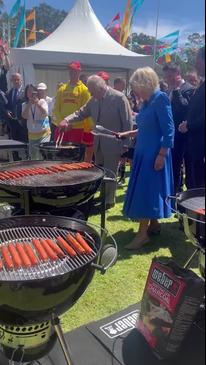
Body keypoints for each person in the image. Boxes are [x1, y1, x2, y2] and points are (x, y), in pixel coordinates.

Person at [118, 67, 174, 250]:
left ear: (145, 83)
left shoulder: (161, 99)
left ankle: (142, 235)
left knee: (146, 192)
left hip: (154, 154)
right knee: (151, 190)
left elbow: (169, 130)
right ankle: (154, 225)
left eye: (136, 86)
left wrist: (162, 155)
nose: (134, 91)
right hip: (143, 153)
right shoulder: (147, 102)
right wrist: (128, 133)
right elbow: (146, 128)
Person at [59, 75, 133, 209]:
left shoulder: (119, 98)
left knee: (110, 173)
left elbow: (127, 122)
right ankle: (101, 196)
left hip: (113, 143)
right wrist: (67, 120)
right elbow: (81, 113)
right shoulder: (93, 100)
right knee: (100, 171)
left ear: (100, 88)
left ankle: (109, 201)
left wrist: (126, 143)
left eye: (92, 91)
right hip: (98, 143)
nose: (91, 94)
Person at [163, 63, 195, 194]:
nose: (168, 79)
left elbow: (184, 108)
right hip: (170, 135)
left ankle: (184, 195)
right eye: (166, 77)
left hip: (185, 136)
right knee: (173, 166)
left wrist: (176, 90)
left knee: (185, 166)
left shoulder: (189, 89)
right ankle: (173, 192)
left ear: (177, 74)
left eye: (170, 76)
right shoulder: (167, 91)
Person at [53, 61, 94, 160]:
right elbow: (56, 109)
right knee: (60, 157)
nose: (72, 73)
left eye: (75, 71)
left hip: (77, 129)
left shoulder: (84, 90)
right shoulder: (62, 89)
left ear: (79, 72)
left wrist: (72, 124)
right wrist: (61, 123)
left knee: (75, 158)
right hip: (62, 128)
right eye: (70, 70)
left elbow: (85, 111)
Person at [179, 47, 205, 189]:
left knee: (200, 186)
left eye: (198, 61)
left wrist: (189, 125)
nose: (196, 65)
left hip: (201, 147)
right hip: (194, 146)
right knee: (194, 183)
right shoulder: (201, 85)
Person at [22, 84, 51, 160]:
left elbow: (45, 113)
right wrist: (29, 104)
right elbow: (24, 116)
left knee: (43, 154)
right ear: (26, 93)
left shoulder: (42, 101)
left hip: (44, 133)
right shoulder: (24, 104)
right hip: (32, 134)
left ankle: (46, 169)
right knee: (34, 157)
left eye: (32, 91)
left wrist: (37, 103)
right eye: (28, 91)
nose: (31, 92)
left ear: (36, 92)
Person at [5, 73, 28, 143]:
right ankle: (15, 154)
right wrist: (7, 110)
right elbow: (7, 105)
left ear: (21, 80)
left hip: (23, 122)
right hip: (12, 122)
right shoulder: (9, 92)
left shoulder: (26, 92)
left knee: (24, 143)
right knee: (13, 143)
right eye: (14, 80)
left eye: (18, 80)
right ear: (12, 81)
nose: (16, 82)